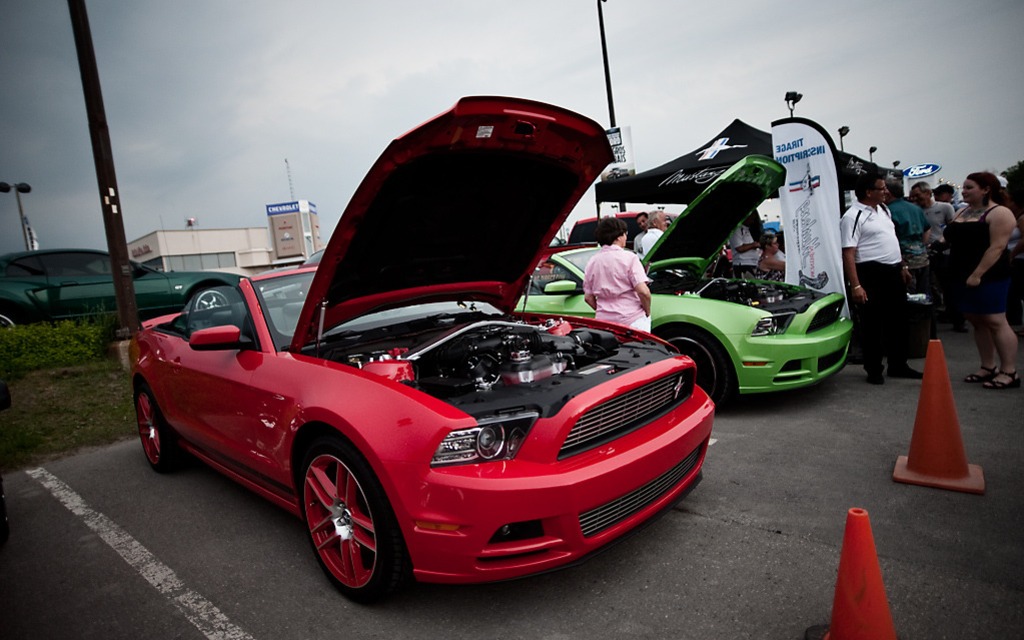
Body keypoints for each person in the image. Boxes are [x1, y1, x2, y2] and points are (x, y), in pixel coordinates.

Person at [840, 173, 922, 385]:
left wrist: (902, 265)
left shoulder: (884, 210)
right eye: (882, 188)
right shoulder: (852, 216)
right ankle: (874, 368)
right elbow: (848, 252)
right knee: (872, 323)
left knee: (898, 320)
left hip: (893, 271)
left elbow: (892, 240)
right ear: (869, 192)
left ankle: (898, 364)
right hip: (870, 272)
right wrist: (856, 285)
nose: (886, 191)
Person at [945, 172, 1019, 389]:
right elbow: (949, 236)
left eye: (969, 187)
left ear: (986, 189)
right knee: (976, 320)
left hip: (990, 276)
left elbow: (997, 247)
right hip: (960, 274)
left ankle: (1009, 371)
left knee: (996, 321)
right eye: (964, 187)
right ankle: (988, 366)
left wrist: (978, 274)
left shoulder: (1000, 213)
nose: (964, 191)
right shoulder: (962, 211)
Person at [583, 216, 652, 332]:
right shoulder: (630, 258)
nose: (626, 237)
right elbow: (643, 292)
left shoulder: (592, 261)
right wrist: (647, 312)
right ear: (619, 236)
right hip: (633, 320)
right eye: (625, 234)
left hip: (603, 322)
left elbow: (588, 297)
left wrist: (603, 310)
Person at [910, 181, 960, 328]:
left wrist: (943, 243)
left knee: (948, 286)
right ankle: (931, 315)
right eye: (913, 196)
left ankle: (956, 318)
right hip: (923, 253)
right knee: (929, 286)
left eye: (918, 195)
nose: (915, 199)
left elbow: (953, 228)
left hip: (943, 252)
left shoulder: (945, 207)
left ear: (928, 193)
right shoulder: (915, 210)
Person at [884, 179, 931, 295]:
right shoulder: (916, 209)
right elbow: (927, 228)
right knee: (924, 294)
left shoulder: (887, 211)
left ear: (888, 193)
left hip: (903, 261)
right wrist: (923, 246)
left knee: (909, 296)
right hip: (922, 258)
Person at [728, 211, 762, 278]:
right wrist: (753, 245)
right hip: (742, 263)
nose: (752, 221)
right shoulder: (737, 230)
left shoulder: (749, 229)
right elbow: (739, 248)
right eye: (751, 218)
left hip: (753, 263)